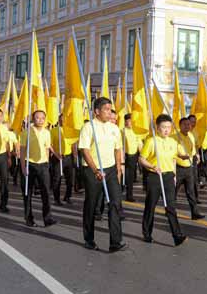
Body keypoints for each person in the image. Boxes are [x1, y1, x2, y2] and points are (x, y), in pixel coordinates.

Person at [78, 97, 126, 252]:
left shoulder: (114, 128)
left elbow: (118, 149)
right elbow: (84, 150)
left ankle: (115, 241)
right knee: (91, 204)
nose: (109, 112)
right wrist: (95, 170)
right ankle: (89, 239)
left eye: (110, 109)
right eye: (106, 109)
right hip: (93, 171)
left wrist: (118, 168)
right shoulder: (88, 127)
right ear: (97, 111)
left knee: (115, 203)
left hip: (111, 169)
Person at [139, 114, 188, 246]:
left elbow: (175, 158)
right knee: (151, 206)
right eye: (163, 127)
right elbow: (142, 159)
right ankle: (147, 233)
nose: (166, 130)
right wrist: (153, 166)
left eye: (168, 127)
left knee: (171, 207)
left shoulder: (173, 141)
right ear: (157, 127)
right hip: (154, 176)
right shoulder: (151, 141)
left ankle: (177, 236)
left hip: (168, 177)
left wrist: (175, 174)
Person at [20, 110, 57, 228]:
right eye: (37, 118)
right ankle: (29, 218)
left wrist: (46, 162)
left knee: (46, 192)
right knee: (28, 193)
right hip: (29, 164)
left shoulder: (47, 132)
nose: (40, 120)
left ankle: (48, 218)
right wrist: (23, 167)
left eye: (42, 118)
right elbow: (22, 151)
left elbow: (47, 148)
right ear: (33, 119)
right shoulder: (26, 133)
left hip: (43, 165)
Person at [175, 117, 205, 220]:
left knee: (191, 191)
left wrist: (197, 154)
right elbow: (171, 152)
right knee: (174, 191)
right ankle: (170, 210)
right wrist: (179, 156)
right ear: (180, 125)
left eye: (189, 124)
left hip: (189, 167)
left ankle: (195, 213)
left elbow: (194, 149)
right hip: (178, 168)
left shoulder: (191, 136)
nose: (187, 126)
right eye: (185, 124)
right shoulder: (175, 137)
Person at [50, 115, 74, 205]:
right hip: (58, 157)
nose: (63, 121)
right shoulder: (54, 131)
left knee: (70, 179)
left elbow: (73, 144)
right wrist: (56, 154)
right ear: (59, 120)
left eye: (65, 120)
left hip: (68, 157)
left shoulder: (70, 131)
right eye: (61, 120)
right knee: (57, 179)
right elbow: (49, 144)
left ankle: (67, 197)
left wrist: (74, 156)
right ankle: (57, 199)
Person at [122, 114, 141, 202]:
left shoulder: (136, 131)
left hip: (133, 157)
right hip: (124, 156)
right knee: (122, 175)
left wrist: (141, 155)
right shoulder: (121, 131)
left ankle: (129, 195)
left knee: (130, 177)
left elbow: (140, 144)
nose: (131, 122)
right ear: (125, 121)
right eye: (130, 120)